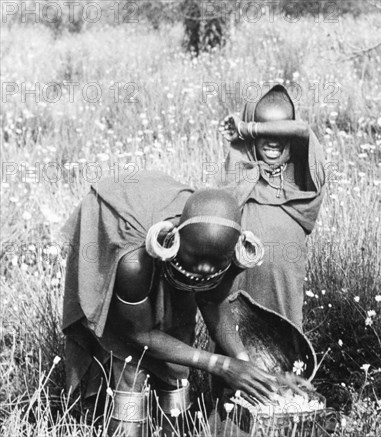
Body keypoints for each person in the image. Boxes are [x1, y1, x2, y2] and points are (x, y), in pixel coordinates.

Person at [62, 170, 307, 436]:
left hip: (173, 255)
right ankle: (126, 424)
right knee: (130, 362)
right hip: (113, 227)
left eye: (215, 264)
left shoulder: (224, 248)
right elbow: (138, 334)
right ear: (174, 239)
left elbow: (215, 305)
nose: (204, 269)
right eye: (196, 259)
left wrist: (244, 362)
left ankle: (172, 424)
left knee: (177, 351)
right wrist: (220, 365)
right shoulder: (134, 263)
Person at [218, 84, 326, 329]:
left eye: (280, 131)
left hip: (283, 290)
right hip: (241, 284)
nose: (274, 142)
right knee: (237, 347)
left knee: (284, 350)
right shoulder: (240, 170)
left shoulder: (301, 177)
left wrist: (249, 128)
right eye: (263, 135)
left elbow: (304, 130)